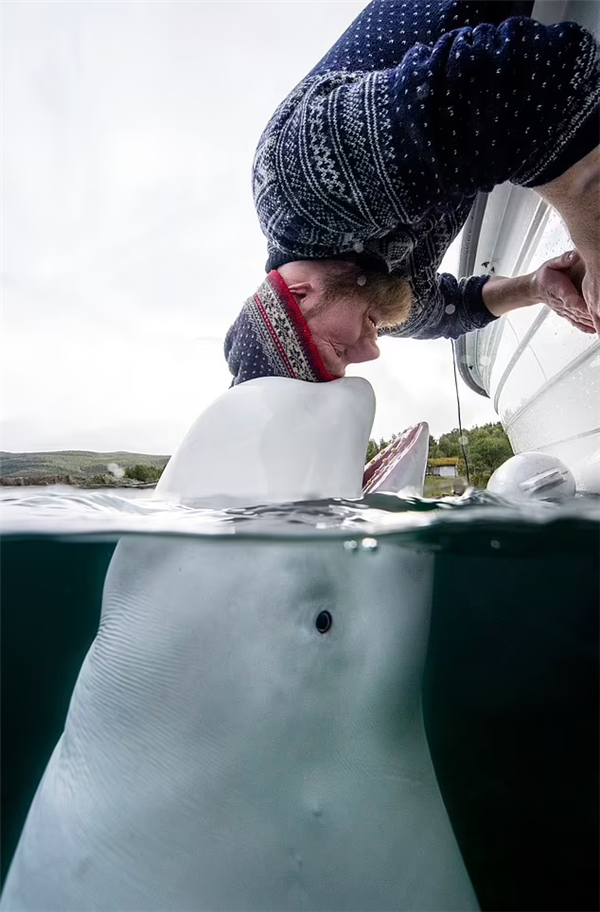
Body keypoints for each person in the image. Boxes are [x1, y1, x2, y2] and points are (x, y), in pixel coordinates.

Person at [225, 0, 600, 385]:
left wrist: (596, 248)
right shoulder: (365, 289)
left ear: (301, 294)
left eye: (337, 350)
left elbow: (524, 80)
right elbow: (450, 311)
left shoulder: (300, 192)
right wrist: (536, 287)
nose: (370, 352)